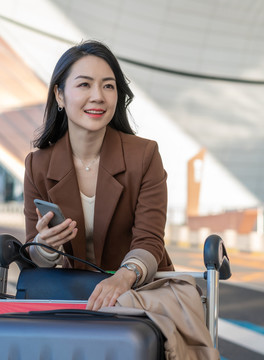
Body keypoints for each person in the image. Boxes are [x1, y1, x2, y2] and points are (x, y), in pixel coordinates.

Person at [23, 40, 174, 311]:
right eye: (84, 85)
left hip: (141, 296)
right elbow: (32, 255)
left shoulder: (145, 155)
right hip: (75, 297)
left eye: (108, 85)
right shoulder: (38, 165)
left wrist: (123, 277)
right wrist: (44, 246)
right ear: (59, 95)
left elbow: (150, 241)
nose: (98, 96)